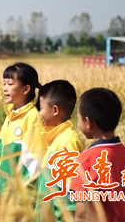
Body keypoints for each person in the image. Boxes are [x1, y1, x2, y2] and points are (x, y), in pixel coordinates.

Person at [70, 88, 125, 222]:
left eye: (78, 118)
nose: (77, 122)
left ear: (88, 122)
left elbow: (81, 212)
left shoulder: (85, 160)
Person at [0, 62, 46, 194]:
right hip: (0, 195)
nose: (5, 88)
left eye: (10, 84)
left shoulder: (32, 117)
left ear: (25, 89)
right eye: (4, 84)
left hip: (18, 199)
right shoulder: (10, 115)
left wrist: (24, 195)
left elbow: (35, 161)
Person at [35, 80, 83, 221]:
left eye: (41, 108)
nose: (39, 113)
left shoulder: (67, 142)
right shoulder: (56, 139)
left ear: (55, 110)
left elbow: (69, 196)